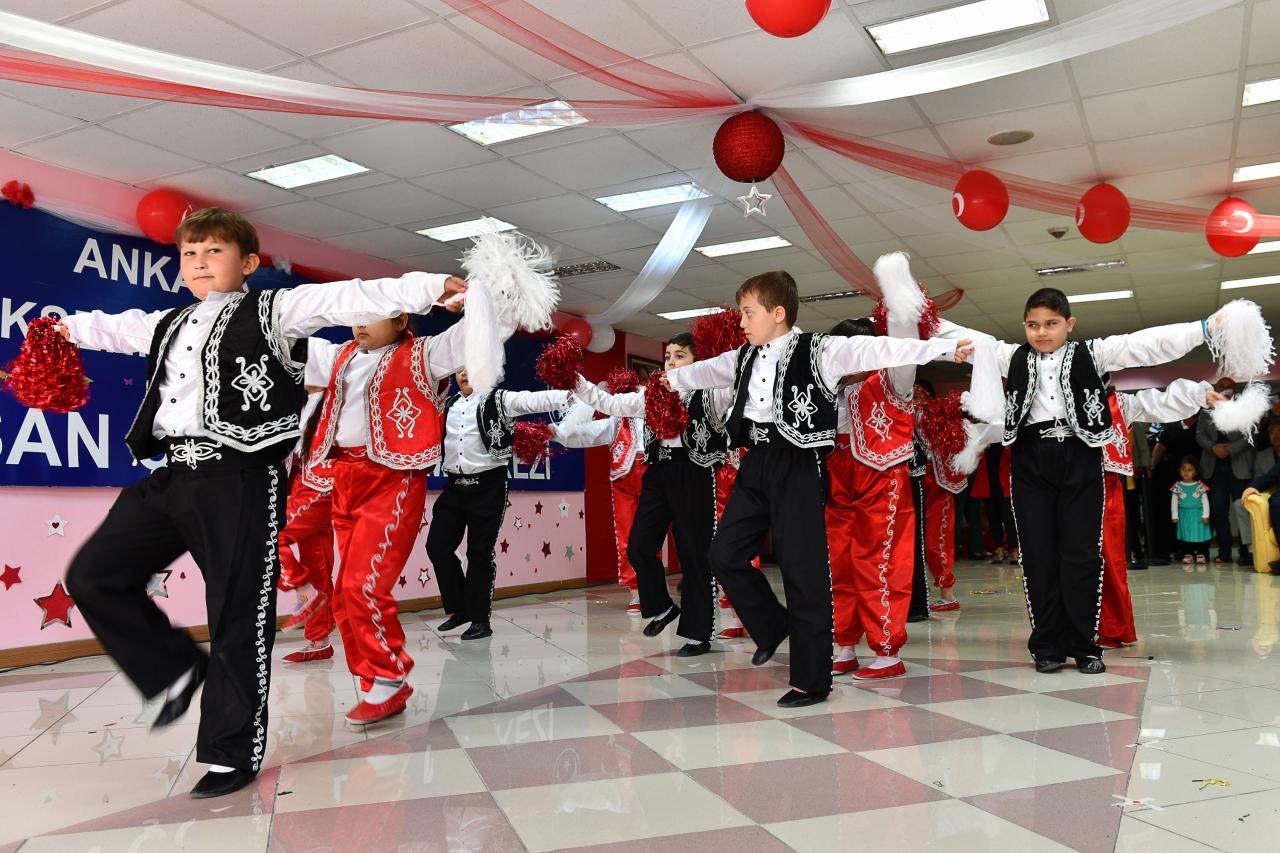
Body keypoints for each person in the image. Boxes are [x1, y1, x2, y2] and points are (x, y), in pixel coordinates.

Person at [60, 207, 470, 798]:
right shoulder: (168, 322)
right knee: (93, 574)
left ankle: (232, 751)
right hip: (173, 473)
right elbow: (114, 330)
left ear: (248, 262)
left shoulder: (276, 311)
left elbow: (348, 297)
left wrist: (429, 287)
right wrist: (59, 327)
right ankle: (175, 667)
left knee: (236, 615)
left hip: (240, 477)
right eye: (190, 254)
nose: (199, 263)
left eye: (214, 251)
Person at [665, 270, 972, 706]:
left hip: (799, 464)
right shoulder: (742, 357)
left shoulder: (822, 349)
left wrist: (940, 348)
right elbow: (702, 372)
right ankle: (772, 625)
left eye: (748, 313)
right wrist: (669, 381)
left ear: (777, 313)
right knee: (723, 553)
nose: (742, 322)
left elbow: (879, 348)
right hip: (756, 461)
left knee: (804, 573)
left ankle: (811, 680)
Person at [948, 287, 1229, 674]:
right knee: (1037, 556)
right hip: (1030, 462)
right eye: (1032, 325)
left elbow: (1145, 345)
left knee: (1081, 555)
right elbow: (962, 336)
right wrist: (925, 324)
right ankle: (1046, 645)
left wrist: (1202, 330)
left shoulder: (1093, 353)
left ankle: (1084, 645)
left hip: (1081, 458)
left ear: (1069, 324)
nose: (1041, 332)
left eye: (1050, 324)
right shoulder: (1010, 356)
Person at [572, 333, 731, 657]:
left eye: (680, 356)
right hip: (658, 473)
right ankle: (661, 607)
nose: (671, 362)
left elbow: (739, 383)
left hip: (695, 473)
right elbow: (609, 403)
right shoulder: (650, 394)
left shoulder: (712, 393)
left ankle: (698, 634)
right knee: (639, 545)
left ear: (698, 362)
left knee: (694, 556)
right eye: (668, 356)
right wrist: (574, 380)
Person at [429, 370, 570, 640]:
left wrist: (570, 395)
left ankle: (480, 620)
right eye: (459, 368)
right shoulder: (449, 404)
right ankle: (462, 608)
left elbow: (533, 400)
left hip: (488, 487)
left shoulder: (500, 400)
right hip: (455, 487)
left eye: (471, 366)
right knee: (437, 547)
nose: (464, 373)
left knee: (479, 554)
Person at [1098, 380, 1219, 647]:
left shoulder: (1119, 404)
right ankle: (1070, 631)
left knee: (1111, 558)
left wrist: (1198, 394)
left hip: (1107, 485)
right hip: (1063, 489)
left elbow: (1155, 404)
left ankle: (1113, 627)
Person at [550, 393, 647, 612]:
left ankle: (661, 587)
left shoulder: (659, 406)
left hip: (657, 478)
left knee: (652, 536)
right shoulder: (618, 419)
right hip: (623, 480)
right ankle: (636, 592)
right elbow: (590, 433)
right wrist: (557, 432)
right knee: (627, 537)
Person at [276, 388, 338, 661]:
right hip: (301, 481)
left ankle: (305, 592)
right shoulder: (295, 399)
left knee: (272, 534)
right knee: (318, 562)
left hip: (323, 482)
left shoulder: (338, 396)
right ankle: (319, 641)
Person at [1197, 380, 1256, 564]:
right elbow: (1199, 435)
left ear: (1234, 389)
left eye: (1227, 386)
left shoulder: (1244, 408)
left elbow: (1250, 435)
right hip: (1214, 467)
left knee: (1243, 508)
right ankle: (1224, 552)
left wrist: (1230, 449)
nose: (1223, 389)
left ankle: (1247, 551)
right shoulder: (1206, 409)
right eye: (1220, 386)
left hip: (1239, 464)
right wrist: (1213, 447)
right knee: (1219, 511)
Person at [1234, 420, 1280, 567]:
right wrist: (1252, 487)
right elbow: (1270, 476)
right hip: (1275, 495)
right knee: (1276, 504)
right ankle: (1251, 551)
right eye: (1273, 432)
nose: (1276, 435)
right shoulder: (1264, 456)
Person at [1172, 458, 1213, 567]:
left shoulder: (1200, 486)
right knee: (1186, 534)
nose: (1186, 472)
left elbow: (1205, 501)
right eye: (1183, 469)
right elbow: (1174, 502)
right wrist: (1175, 515)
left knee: (1200, 534)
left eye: (1189, 470)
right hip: (1184, 515)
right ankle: (1188, 554)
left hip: (1198, 515)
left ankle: (1201, 553)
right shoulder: (1177, 487)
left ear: (1195, 472)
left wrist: (1205, 515)